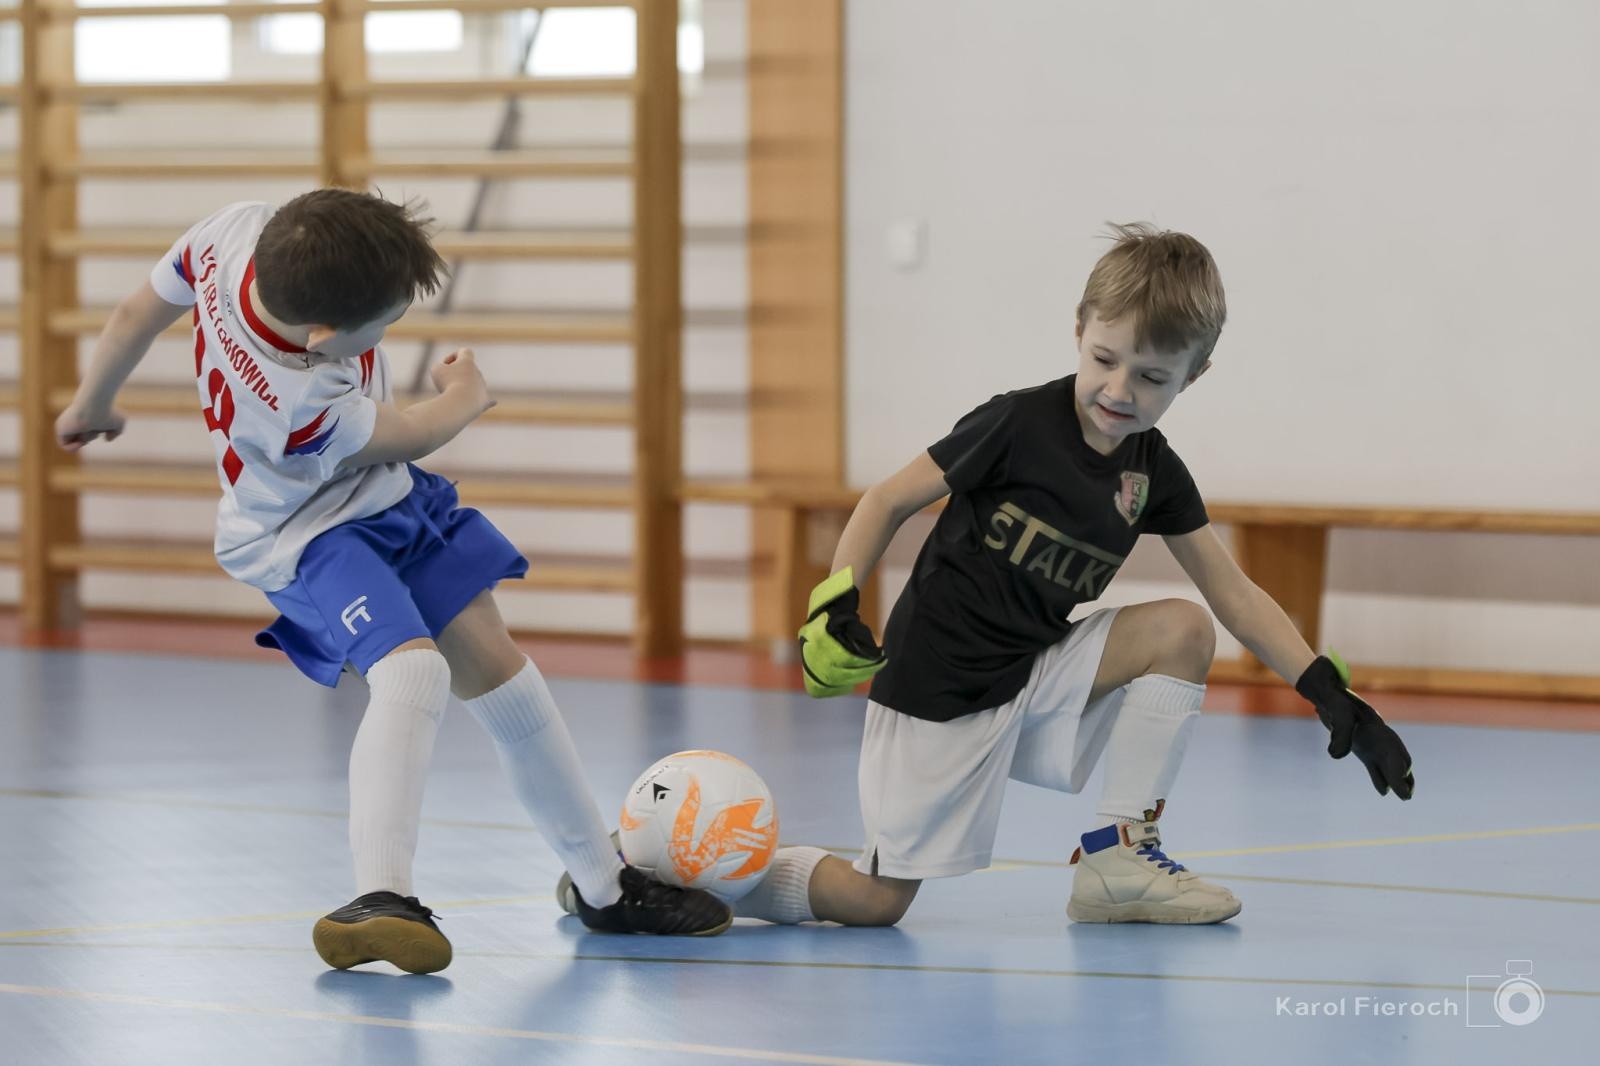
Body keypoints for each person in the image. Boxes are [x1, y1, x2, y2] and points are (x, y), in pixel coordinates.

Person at [55, 188, 732, 973]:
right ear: (323, 337)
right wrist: (466, 396)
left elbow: (135, 312)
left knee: (503, 674)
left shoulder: (236, 231)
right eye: (385, 323)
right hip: (305, 534)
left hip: (386, 504)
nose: (394, 327)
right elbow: (408, 432)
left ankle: (605, 887)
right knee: (412, 671)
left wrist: (90, 404)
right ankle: (381, 896)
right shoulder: (295, 399)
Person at [760, 222, 1416, 928]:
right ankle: (718, 876)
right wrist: (833, 605)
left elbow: (1232, 593)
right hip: (939, 689)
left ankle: (1118, 857)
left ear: (1193, 376)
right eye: (1105, 358)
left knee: (1182, 628)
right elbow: (886, 500)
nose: (1119, 389)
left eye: (1152, 377)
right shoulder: (1017, 423)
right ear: (1079, 329)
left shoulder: (1153, 470)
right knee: (876, 902)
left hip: (1035, 671)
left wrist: (1324, 690)